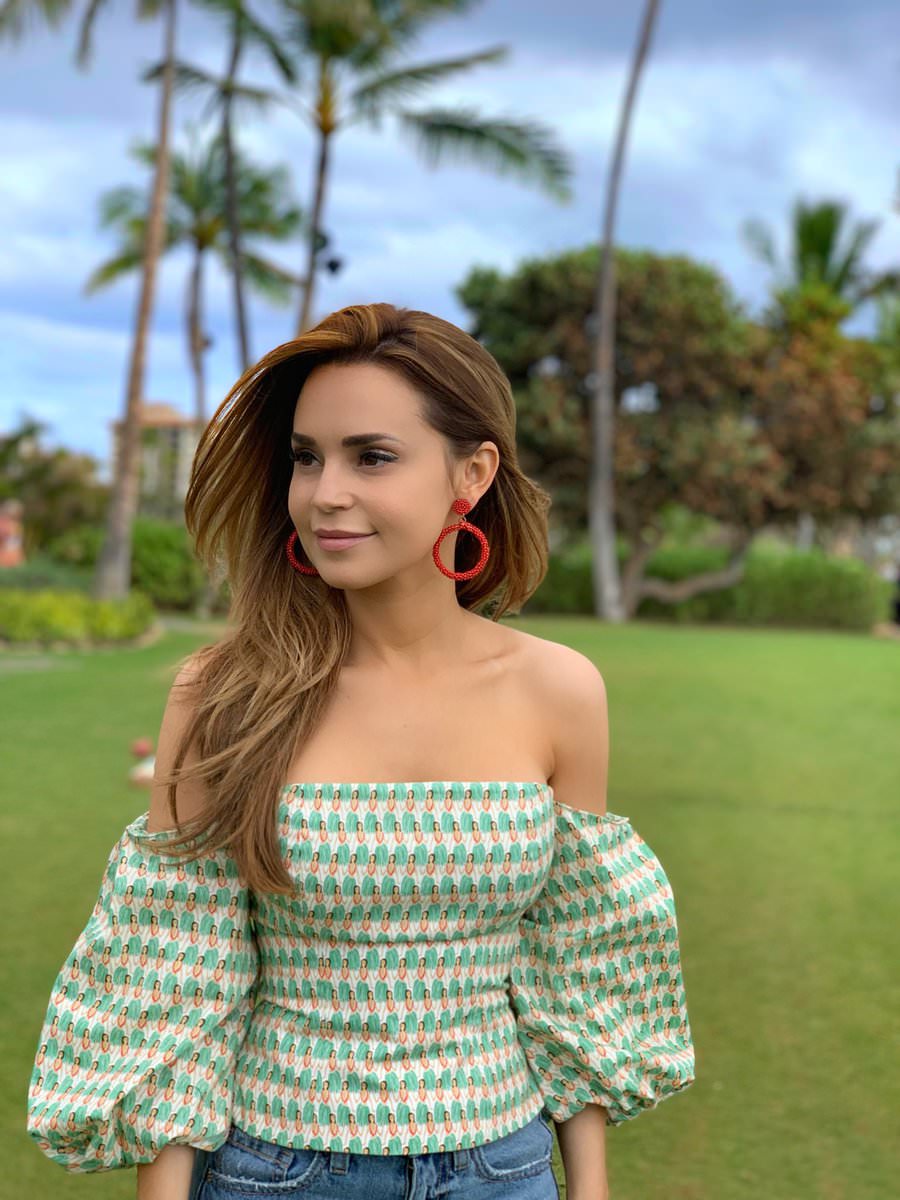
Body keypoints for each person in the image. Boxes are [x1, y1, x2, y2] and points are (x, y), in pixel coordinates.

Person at [25, 303, 695, 1200]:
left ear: (472, 473)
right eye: (306, 458)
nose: (323, 493)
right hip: (278, 1171)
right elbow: (176, 971)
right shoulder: (223, 694)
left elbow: (578, 962)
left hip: (503, 1171)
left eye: (371, 456)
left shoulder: (559, 690)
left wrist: (593, 1189)